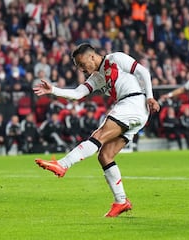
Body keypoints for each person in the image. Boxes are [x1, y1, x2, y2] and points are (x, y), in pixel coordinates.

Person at [33, 43, 160, 217]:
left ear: (92, 56)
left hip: (133, 102)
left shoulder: (116, 59)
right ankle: (121, 201)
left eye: (82, 64)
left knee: (98, 136)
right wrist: (53, 90)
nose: (81, 69)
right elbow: (78, 93)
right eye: (78, 67)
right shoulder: (97, 77)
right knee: (105, 156)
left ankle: (63, 164)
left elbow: (143, 71)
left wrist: (150, 97)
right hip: (133, 109)